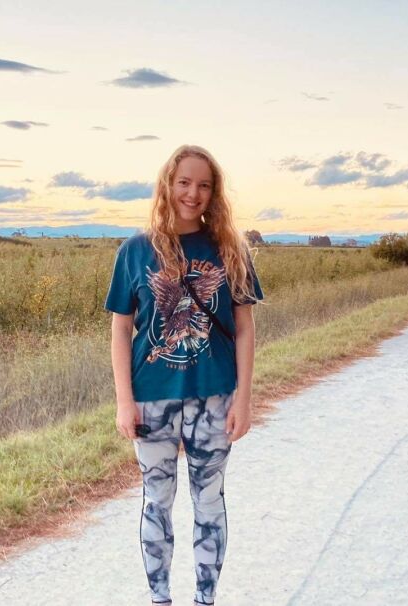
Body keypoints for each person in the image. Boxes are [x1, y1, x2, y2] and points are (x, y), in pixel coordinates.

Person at [105, 144, 264, 606]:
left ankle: (204, 599)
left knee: (209, 502)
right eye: (184, 183)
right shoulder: (135, 251)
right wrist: (124, 400)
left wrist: (243, 399)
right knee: (157, 502)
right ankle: (160, 599)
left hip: (214, 397)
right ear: (168, 185)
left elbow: (244, 328)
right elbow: (120, 330)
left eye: (204, 185)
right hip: (151, 398)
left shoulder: (230, 250)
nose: (193, 194)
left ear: (214, 193)